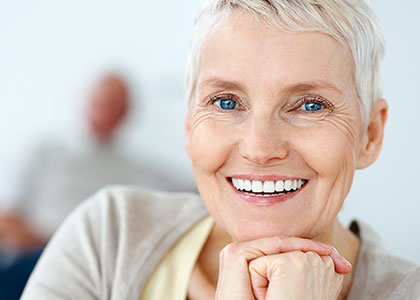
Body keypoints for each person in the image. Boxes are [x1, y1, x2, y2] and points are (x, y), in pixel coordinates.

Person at [22, 0, 420, 299]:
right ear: (189, 124)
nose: (260, 149)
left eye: (310, 105)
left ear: (369, 134)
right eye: (227, 102)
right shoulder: (111, 235)